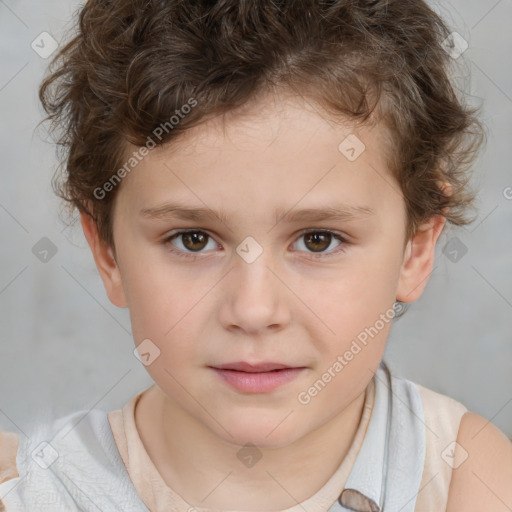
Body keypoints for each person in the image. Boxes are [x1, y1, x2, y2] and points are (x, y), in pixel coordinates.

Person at [1, 0, 511, 511]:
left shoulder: (464, 479)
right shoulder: (36, 492)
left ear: (414, 251)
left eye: (318, 240)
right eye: (193, 240)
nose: (253, 310)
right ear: (108, 253)